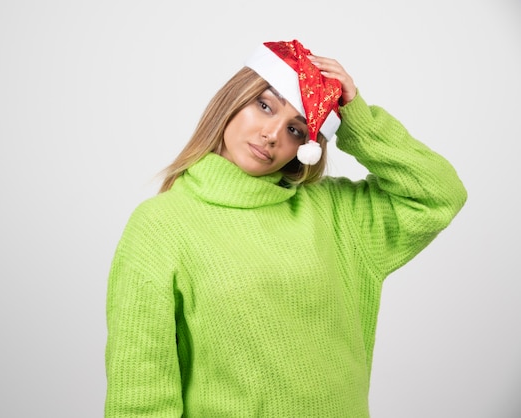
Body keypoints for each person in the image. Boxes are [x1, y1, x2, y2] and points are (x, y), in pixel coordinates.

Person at [104, 39, 467, 417]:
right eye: (264, 106)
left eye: (296, 130)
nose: (272, 134)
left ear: (306, 147)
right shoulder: (159, 225)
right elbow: (140, 391)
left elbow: (439, 194)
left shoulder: (336, 213)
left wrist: (356, 118)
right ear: (232, 100)